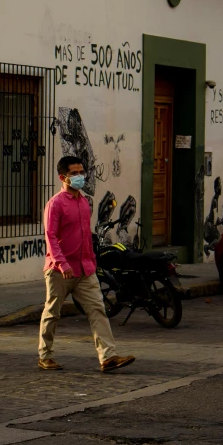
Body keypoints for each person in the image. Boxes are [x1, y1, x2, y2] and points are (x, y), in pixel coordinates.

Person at [38, 155, 136, 373]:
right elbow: (51, 237)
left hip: (84, 270)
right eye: (74, 173)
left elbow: (85, 235)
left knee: (97, 309)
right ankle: (45, 355)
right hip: (59, 271)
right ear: (62, 177)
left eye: (82, 172)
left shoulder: (84, 202)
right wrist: (63, 265)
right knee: (52, 312)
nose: (80, 176)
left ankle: (108, 357)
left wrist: (92, 261)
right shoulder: (55, 204)